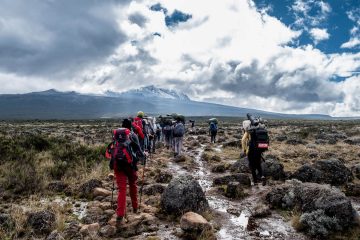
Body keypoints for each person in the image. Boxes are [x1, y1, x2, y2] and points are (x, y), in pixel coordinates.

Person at [111, 119, 147, 226]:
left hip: (118, 165)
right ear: (130, 127)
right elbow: (139, 151)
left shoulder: (116, 136)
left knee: (121, 190)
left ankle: (120, 216)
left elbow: (112, 150)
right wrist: (144, 157)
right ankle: (135, 208)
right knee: (133, 185)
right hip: (130, 166)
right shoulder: (132, 135)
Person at [241, 120, 265, 185]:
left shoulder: (248, 130)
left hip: (251, 150)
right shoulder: (258, 129)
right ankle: (262, 176)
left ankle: (255, 182)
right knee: (258, 164)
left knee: (252, 166)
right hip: (259, 150)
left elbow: (243, 140)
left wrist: (244, 150)